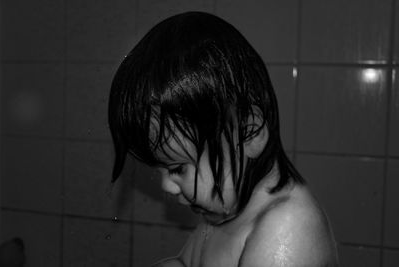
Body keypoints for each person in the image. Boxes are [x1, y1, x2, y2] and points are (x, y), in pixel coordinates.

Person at [108, 11, 339, 267]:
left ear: (249, 132)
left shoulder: (288, 226)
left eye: (177, 168)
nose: (167, 186)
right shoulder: (225, 212)